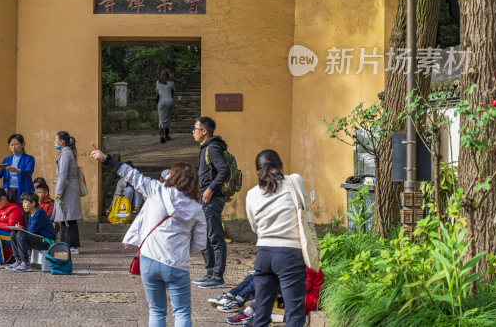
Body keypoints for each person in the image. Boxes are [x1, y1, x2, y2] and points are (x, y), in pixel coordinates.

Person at [91, 143, 206, 327]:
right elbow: (199, 243)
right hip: (177, 264)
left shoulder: (156, 189)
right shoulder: (196, 209)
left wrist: (107, 159)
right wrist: (181, 250)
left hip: (149, 260)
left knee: (156, 310)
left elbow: (132, 175)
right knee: (182, 311)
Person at [240, 149, 309, 327]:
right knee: (294, 312)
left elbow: (255, 227)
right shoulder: (295, 181)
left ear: (257, 171)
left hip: (264, 254)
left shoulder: (252, 194)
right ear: (281, 167)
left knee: (261, 312)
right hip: (290, 255)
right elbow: (304, 210)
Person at [192, 116, 230, 289]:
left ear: (204, 131)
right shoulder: (205, 148)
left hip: (211, 199)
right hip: (205, 198)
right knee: (203, 236)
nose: (193, 132)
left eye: (196, 129)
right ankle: (210, 272)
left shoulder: (212, 148)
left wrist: (211, 189)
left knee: (215, 236)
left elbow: (224, 171)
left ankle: (218, 276)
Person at [223, 267, 324, 325]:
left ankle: (250, 312)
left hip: (307, 300)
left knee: (273, 285)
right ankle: (247, 309)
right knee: (258, 278)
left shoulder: (308, 264)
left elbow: (303, 286)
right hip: (296, 296)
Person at [7, 191, 57, 272]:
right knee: (13, 233)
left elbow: (31, 231)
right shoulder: (31, 213)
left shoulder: (39, 212)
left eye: (25, 202)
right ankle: (19, 260)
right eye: (22, 203)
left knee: (21, 234)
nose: (23, 205)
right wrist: (20, 228)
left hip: (47, 241)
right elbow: (31, 230)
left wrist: (21, 228)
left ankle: (25, 263)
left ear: (33, 203)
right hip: (39, 239)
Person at [52, 131, 82, 254]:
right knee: (69, 217)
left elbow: (63, 175)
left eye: (56, 139)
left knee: (67, 218)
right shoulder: (68, 152)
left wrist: (58, 192)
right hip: (70, 188)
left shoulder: (65, 154)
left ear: (62, 141)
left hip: (67, 189)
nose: (55, 142)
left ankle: (69, 245)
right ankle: (71, 244)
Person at [0, 133, 35, 203]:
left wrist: (16, 170)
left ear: (23, 144)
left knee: (24, 211)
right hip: (8, 191)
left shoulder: (29, 158)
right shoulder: (7, 160)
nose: (13, 147)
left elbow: (29, 171)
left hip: (24, 190)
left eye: (16, 144)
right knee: (10, 212)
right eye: (11, 145)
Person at [156, 69, 175, 143]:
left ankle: (161, 134)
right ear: (168, 74)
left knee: (161, 117)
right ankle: (167, 135)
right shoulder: (171, 83)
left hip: (161, 101)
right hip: (169, 101)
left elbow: (157, 92)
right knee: (167, 116)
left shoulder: (158, 82)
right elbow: (173, 92)